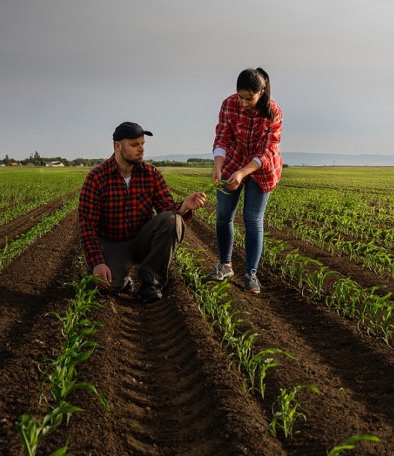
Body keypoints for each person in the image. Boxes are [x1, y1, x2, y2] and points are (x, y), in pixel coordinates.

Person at [78, 121, 207, 303]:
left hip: (142, 240)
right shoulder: (97, 178)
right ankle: (123, 279)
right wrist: (97, 263)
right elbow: (87, 224)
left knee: (172, 220)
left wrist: (185, 205)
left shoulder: (151, 174)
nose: (141, 149)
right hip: (114, 243)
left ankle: (151, 282)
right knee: (100, 289)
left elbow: (166, 208)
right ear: (117, 146)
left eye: (142, 144)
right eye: (134, 145)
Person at [209, 67, 282, 294]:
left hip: (261, 169)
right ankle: (225, 265)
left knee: (252, 219)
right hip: (232, 161)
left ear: (261, 92)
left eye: (249, 98)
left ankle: (251, 274)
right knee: (223, 215)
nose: (243, 103)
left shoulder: (273, 112)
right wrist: (218, 168)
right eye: (240, 96)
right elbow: (222, 137)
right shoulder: (228, 104)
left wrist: (243, 173)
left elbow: (268, 151)